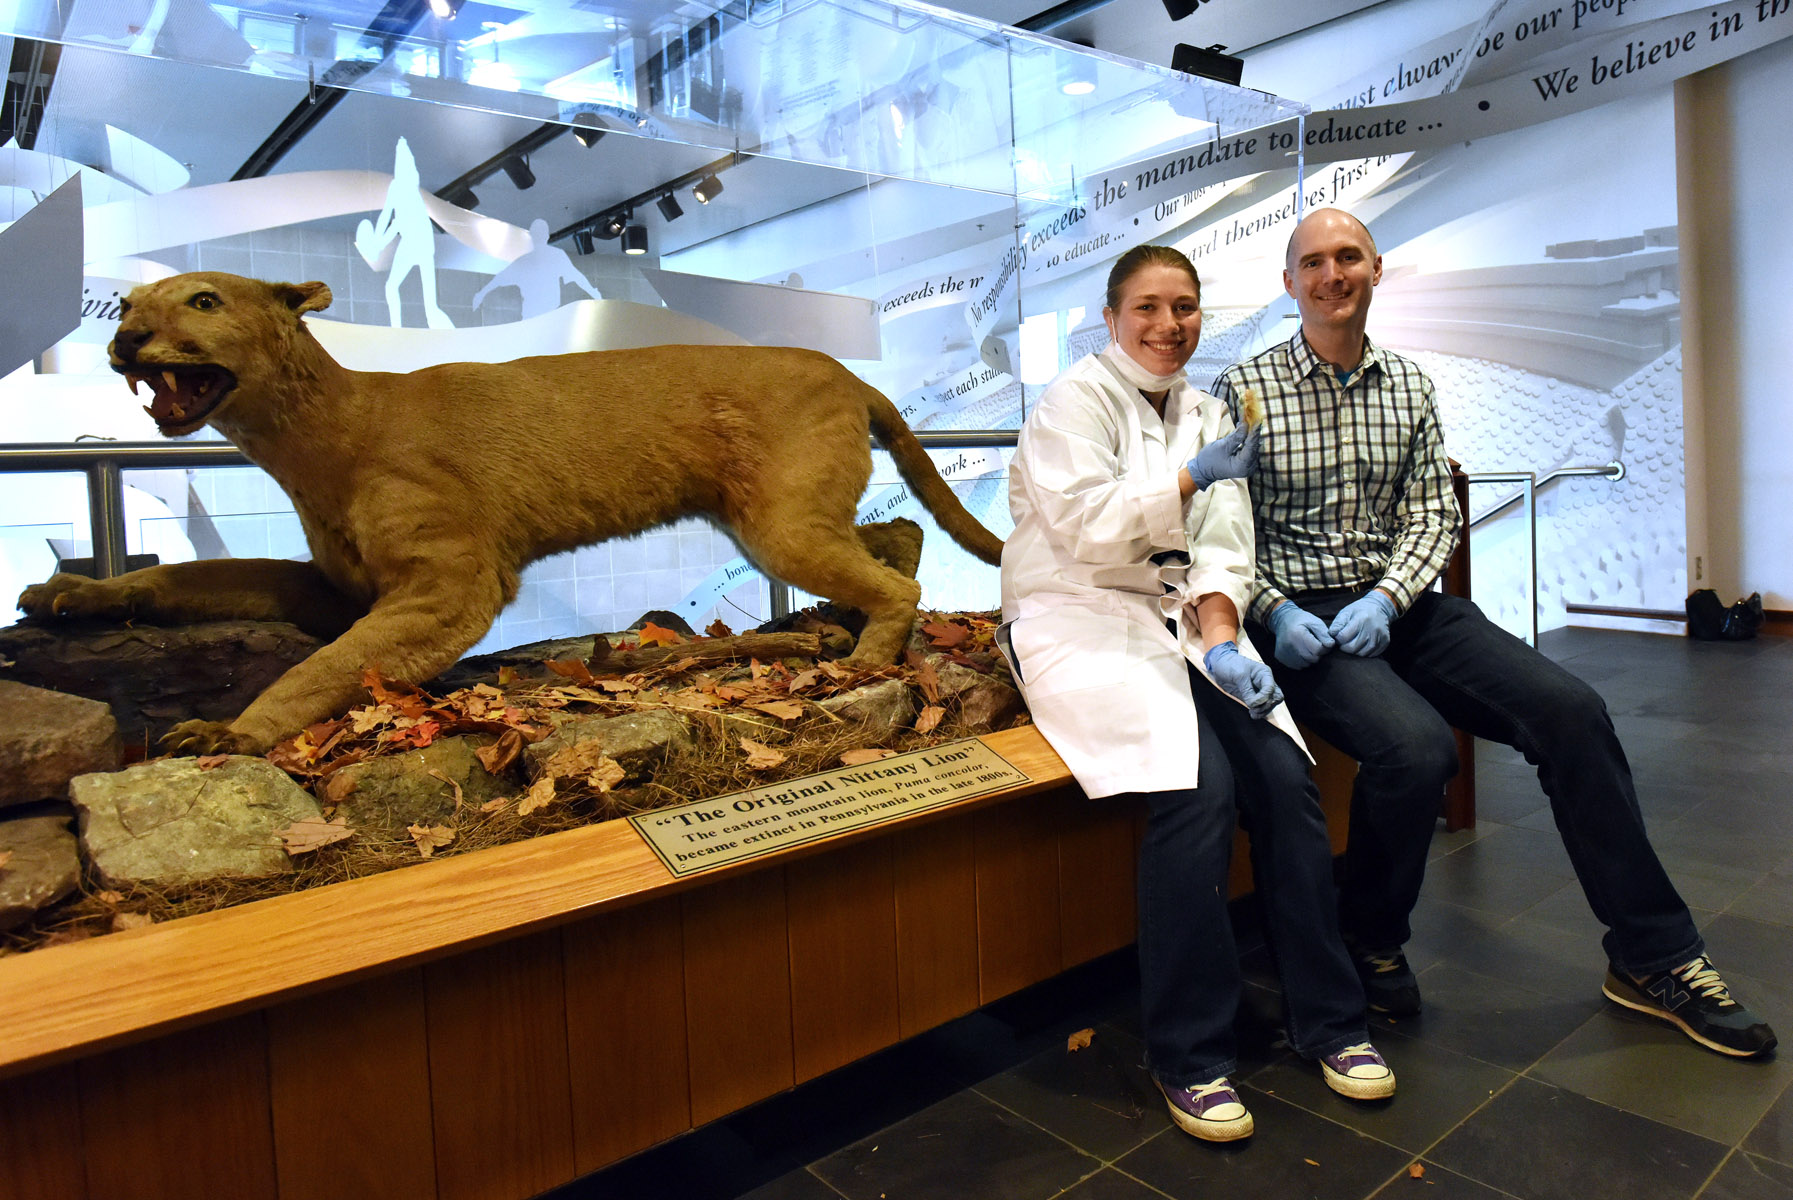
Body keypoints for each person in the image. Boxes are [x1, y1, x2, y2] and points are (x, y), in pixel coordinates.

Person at [1211, 207, 1776, 1058]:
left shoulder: (1408, 384)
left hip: (1399, 607)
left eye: (1349, 257)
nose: (1333, 274)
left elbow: (1434, 509)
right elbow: (1221, 528)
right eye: (1314, 261)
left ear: (1374, 270)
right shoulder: (1244, 389)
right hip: (1305, 620)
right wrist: (1272, 611)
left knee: (1572, 712)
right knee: (1415, 750)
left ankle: (1652, 958)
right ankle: (1368, 936)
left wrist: (1392, 597)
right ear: (1289, 283)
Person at [1001, 244, 1394, 1144]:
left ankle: (1331, 1022)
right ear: (1110, 318)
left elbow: (1221, 542)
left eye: (1183, 307)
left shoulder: (1210, 408)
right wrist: (1185, 476)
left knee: (1286, 781)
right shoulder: (1073, 401)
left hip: (1180, 621)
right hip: (1078, 616)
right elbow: (1087, 532)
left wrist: (1223, 639)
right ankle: (1190, 1053)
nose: (1166, 326)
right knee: (1195, 788)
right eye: (1146, 308)